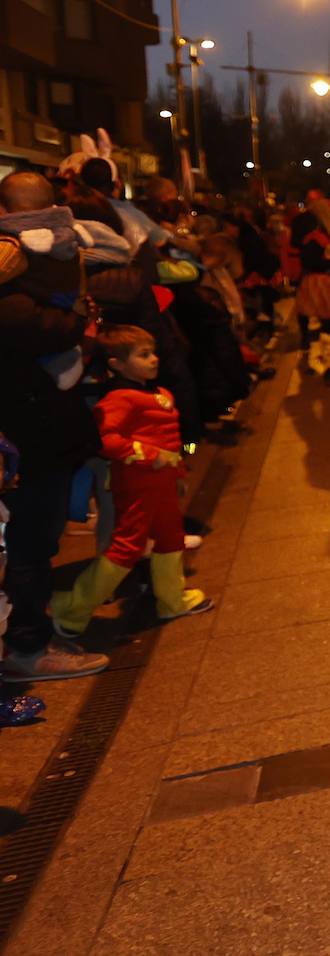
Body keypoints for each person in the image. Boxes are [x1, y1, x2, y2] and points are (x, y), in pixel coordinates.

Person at [0, 172, 109, 682]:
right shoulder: (15, 280)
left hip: (36, 421)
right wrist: (79, 326)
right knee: (31, 539)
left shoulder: (27, 267)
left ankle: (33, 635)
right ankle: (27, 649)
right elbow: (37, 328)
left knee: (36, 537)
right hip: (27, 427)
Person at [50, 326, 213, 637]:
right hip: (138, 483)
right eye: (144, 354)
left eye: (153, 352)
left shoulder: (158, 394)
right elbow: (105, 439)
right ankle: (73, 610)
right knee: (127, 546)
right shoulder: (120, 398)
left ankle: (172, 600)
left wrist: (176, 473)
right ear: (116, 364)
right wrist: (149, 455)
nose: (154, 360)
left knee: (170, 539)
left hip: (160, 482)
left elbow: (171, 442)